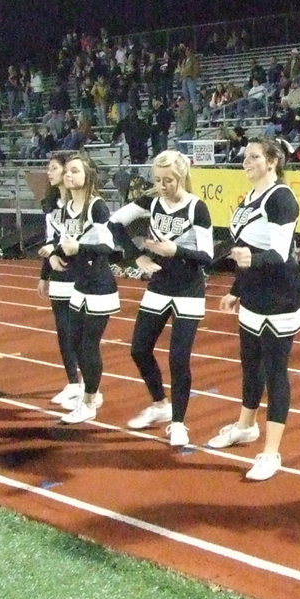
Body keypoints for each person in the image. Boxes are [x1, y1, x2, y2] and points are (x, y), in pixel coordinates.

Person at [212, 137, 300, 481]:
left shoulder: (281, 198)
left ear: (273, 162)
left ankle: (271, 452)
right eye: (245, 156)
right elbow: (247, 248)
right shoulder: (250, 197)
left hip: (280, 296)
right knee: (249, 363)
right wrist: (236, 290)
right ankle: (245, 426)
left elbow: (280, 254)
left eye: (254, 157)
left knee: (275, 371)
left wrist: (249, 260)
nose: (246, 161)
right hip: (254, 295)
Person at [109, 150, 213, 447]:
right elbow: (114, 222)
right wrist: (135, 256)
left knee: (179, 359)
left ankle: (179, 422)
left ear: (180, 177)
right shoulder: (151, 201)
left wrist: (175, 251)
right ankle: (159, 404)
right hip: (158, 284)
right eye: (157, 179)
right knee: (139, 350)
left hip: (189, 288)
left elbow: (207, 256)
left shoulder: (197, 208)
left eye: (168, 180)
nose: (162, 185)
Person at [45, 152, 120, 424]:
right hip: (79, 284)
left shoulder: (96, 207)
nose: (69, 175)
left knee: (89, 345)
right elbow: (61, 239)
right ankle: (90, 391)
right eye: (68, 171)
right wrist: (54, 253)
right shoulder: (65, 209)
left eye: (75, 171)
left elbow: (108, 247)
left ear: (88, 176)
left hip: (99, 286)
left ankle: (89, 400)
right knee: (74, 342)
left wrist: (80, 248)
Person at [37, 153, 82, 406]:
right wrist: (45, 273)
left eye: (54, 168)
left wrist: (57, 252)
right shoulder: (52, 205)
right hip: (58, 274)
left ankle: (89, 386)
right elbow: (49, 242)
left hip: (79, 274)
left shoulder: (82, 204)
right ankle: (72, 382)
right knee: (63, 332)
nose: (49, 172)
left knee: (79, 332)